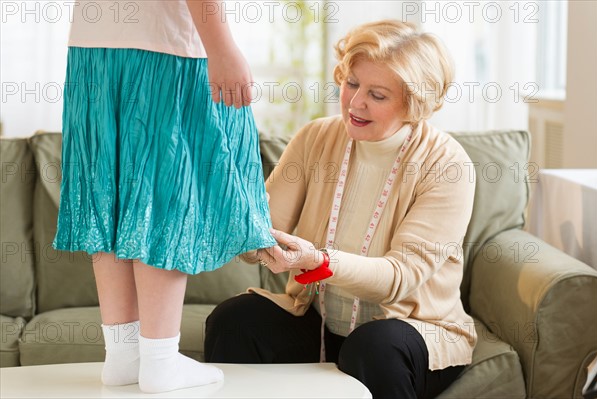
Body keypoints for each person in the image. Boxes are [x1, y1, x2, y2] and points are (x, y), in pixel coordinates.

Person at [204, 20, 477, 399]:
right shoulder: (316, 138)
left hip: (411, 329)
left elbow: (400, 277)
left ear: (414, 103)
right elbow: (260, 240)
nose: (355, 102)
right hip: (318, 321)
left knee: (375, 347)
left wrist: (318, 259)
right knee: (234, 320)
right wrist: (243, 223)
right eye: (352, 84)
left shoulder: (447, 165)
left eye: (377, 95)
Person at [52, 0, 276, 394]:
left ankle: (123, 355)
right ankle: (159, 361)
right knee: (166, 190)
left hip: (92, 45)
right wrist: (221, 46)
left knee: (112, 191)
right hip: (164, 47)